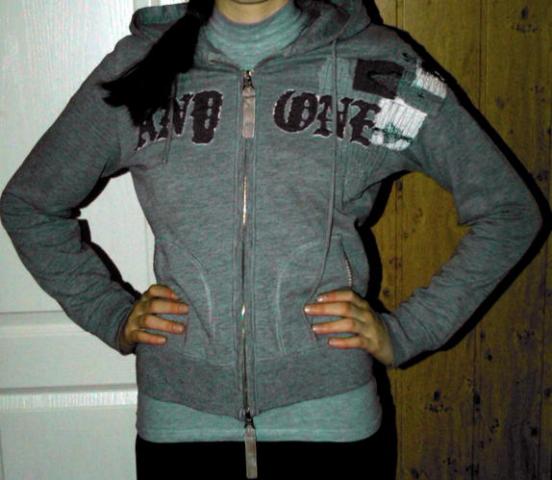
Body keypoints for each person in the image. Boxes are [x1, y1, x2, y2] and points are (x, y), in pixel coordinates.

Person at [0, 0, 542, 479]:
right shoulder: (141, 66)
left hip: (333, 425)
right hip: (181, 426)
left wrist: (408, 331)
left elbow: (509, 211)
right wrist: (109, 312)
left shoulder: (376, 67)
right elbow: (30, 204)